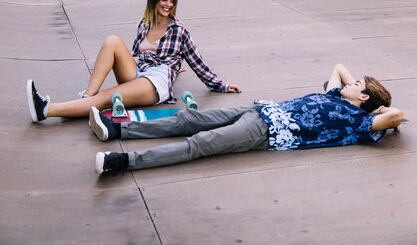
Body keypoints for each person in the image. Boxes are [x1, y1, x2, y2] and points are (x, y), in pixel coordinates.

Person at [91, 63, 404, 176]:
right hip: (258, 109)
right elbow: (339, 66)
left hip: (265, 130)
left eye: (358, 85)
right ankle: (118, 127)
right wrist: (363, 92)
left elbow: (396, 115)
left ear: (363, 98)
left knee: (198, 144)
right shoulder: (337, 95)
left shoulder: (356, 122)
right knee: (189, 120)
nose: (351, 82)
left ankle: (123, 161)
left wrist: (375, 109)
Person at [26, 0, 241, 123]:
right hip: (140, 70)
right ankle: (87, 96)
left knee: (109, 97)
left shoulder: (179, 30)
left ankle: (46, 109)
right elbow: (136, 52)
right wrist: (171, 64)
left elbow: (198, 63)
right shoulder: (144, 23)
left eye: (172, 1)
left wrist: (221, 85)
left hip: (156, 80)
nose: (168, 4)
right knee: (112, 41)